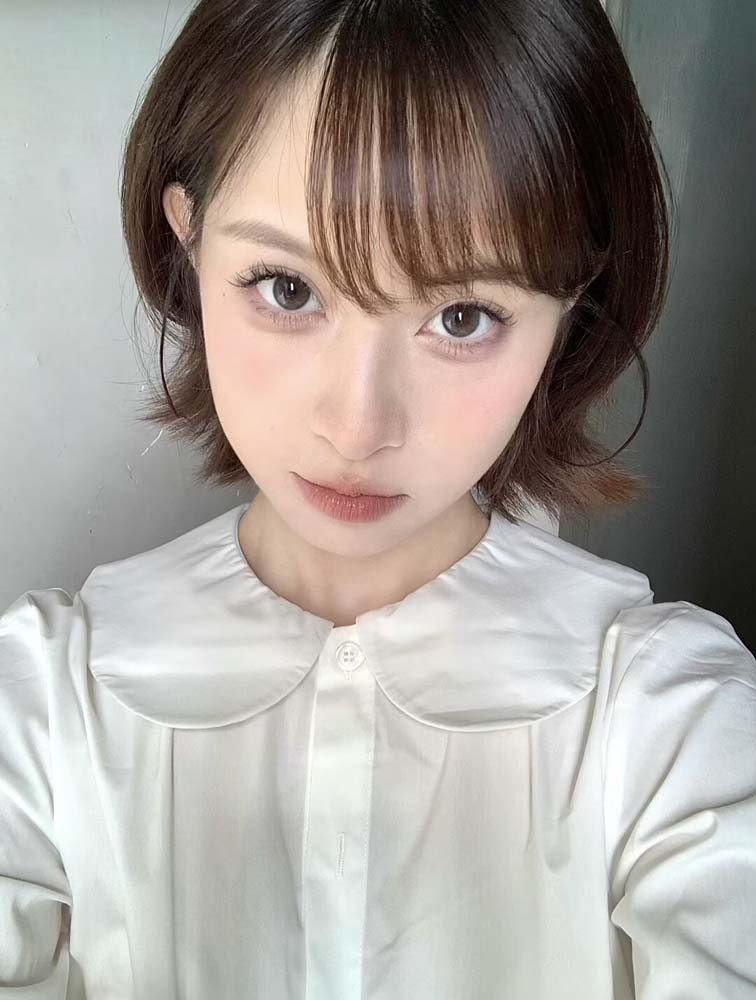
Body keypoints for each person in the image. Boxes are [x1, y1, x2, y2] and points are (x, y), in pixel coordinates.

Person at [1, 0, 755, 997]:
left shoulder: (672, 721)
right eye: (286, 288)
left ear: (573, 301)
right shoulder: (43, 701)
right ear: (188, 237)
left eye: (464, 314)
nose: (359, 427)